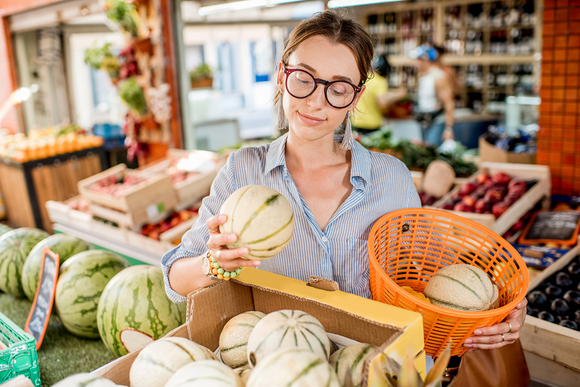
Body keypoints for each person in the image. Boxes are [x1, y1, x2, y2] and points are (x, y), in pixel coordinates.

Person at [162, 11, 526, 354]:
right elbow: (174, 281)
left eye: (337, 88)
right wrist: (214, 263)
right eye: (303, 79)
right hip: (280, 367)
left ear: (357, 96)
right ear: (281, 74)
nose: (316, 103)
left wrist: (498, 304)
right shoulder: (242, 170)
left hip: (379, 365)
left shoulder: (391, 178)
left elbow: (432, 279)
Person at [411, 45, 456, 146]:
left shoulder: (438, 78)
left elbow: (449, 103)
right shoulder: (422, 76)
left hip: (436, 122)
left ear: (425, 60)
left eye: (417, 60)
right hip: (424, 121)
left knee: (432, 151)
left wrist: (449, 128)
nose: (415, 64)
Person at [351, 54, 407, 134]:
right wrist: (400, 95)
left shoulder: (361, 78)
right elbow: (383, 103)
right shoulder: (379, 81)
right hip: (372, 125)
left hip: (355, 123)